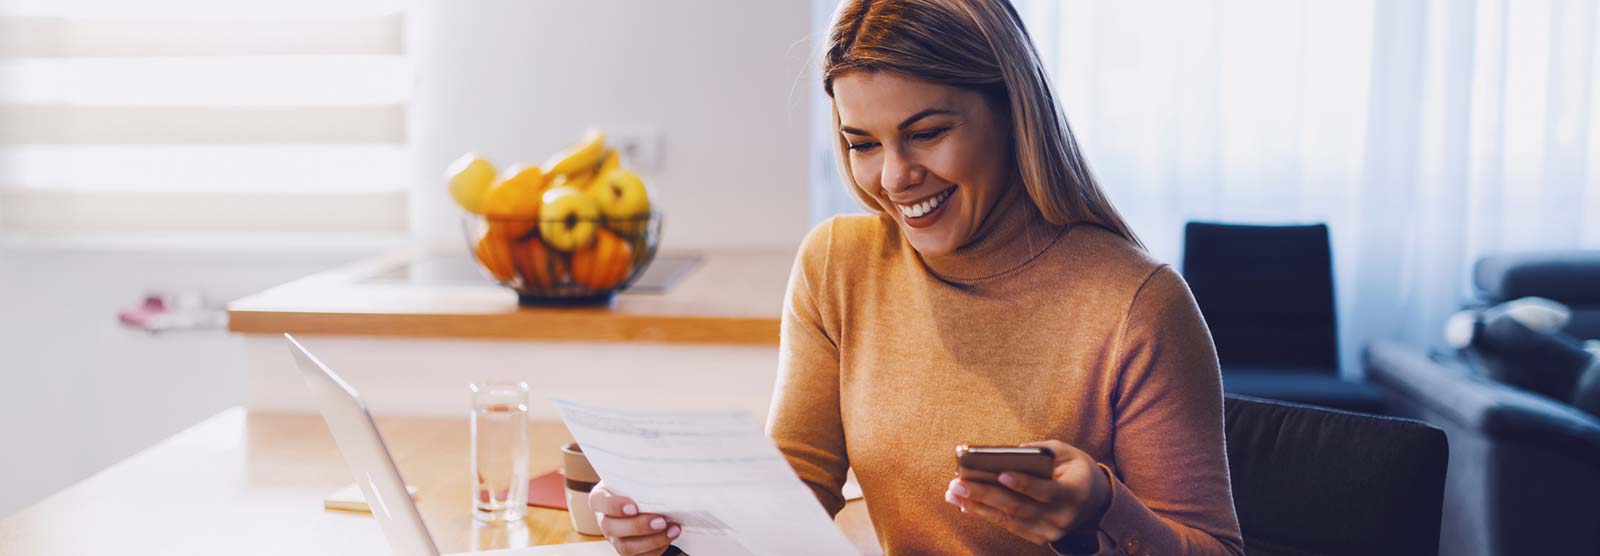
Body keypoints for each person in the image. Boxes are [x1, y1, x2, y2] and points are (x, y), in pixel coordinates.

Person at [589, 0, 1245, 554]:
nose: (895, 177)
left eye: (926, 133)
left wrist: (1099, 511)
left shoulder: (1137, 305)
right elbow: (788, 504)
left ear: (1012, 112)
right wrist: (671, 530)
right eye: (863, 144)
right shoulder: (838, 265)